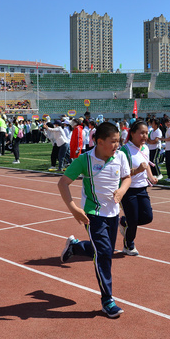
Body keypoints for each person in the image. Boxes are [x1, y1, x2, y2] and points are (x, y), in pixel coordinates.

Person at [58, 122, 131, 318]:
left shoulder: (121, 156)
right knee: (105, 253)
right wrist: (74, 209)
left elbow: (127, 177)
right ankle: (107, 300)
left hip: (113, 213)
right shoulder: (84, 160)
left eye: (118, 141)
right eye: (113, 141)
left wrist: (122, 190)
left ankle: (75, 247)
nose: (117, 145)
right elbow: (63, 183)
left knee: (103, 250)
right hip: (92, 213)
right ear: (99, 141)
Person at [118, 120, 157, 256]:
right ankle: (129, 245)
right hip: (128, 189)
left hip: (142, 188)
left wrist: (151, 177)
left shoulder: (145, 148)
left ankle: (124, 222)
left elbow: (146, 166)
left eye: (146, 133)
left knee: (147, 217)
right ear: (133, 133)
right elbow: (123, 173)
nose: (145, 136)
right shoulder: (124, 150)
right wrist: (137, 170)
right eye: (141, 133)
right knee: (133, 219)